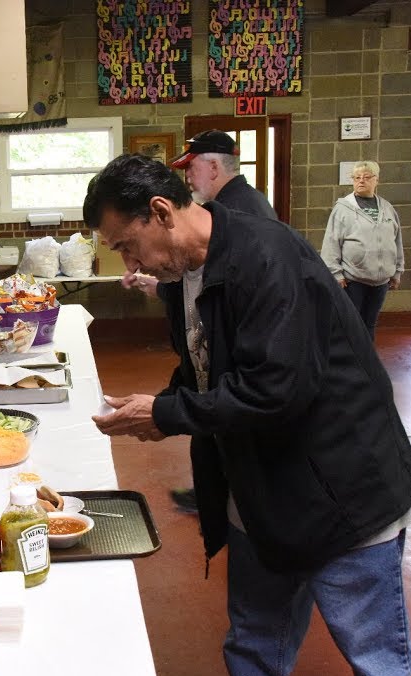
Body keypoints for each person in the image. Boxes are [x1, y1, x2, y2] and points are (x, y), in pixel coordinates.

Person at [85, 153, 411, 676]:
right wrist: (161, 407)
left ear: (161, 211)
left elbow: (277, 389)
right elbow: (204, 365)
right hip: (261, 482)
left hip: (340, 482)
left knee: (374, 654)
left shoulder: (266, 255)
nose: (128, 261)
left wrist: (168, 415)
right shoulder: (182, 274)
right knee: (255, 633)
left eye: (125, 244)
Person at [125, 129, 281, 515]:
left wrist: (169, 411)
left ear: (213, 166)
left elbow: (267, 384)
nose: (188, 178)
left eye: (191, 168)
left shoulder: (240, 215)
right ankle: (214, 490)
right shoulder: (226, 208)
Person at [320, 160, 404, 340]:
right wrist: (336, 273)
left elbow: (396, 241)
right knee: (351, 322)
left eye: (366, 177)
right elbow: (331, 243)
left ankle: (368, 362)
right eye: (357, 178)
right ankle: (351, 363)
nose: (361, 181)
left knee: (370, 322)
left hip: (381, 280)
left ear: (376, 180)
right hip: (353, 279)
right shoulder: (343, 209)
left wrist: (397, 271)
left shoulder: (387, 208)